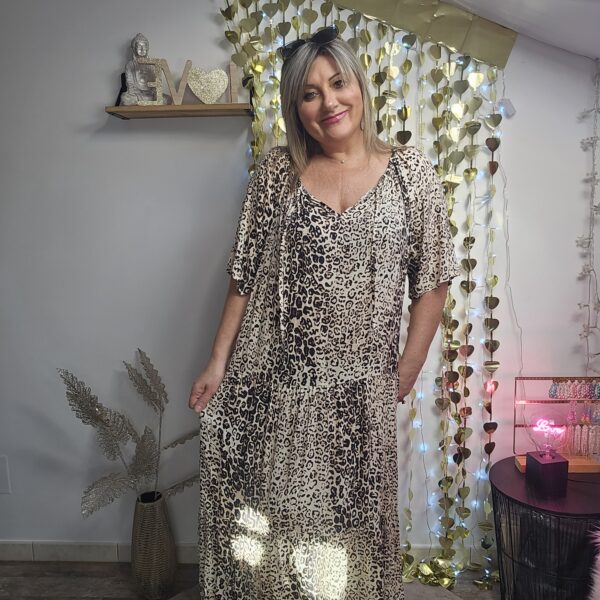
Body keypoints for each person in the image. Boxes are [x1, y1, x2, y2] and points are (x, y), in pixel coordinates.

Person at [188, 26, 459, 600]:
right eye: (310, 94)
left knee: (351, 535)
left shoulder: (410, 174)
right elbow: (243, 274)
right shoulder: (276, 174)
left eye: (338, 84)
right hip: (276, 382)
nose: (329, 102)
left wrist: (408, 367)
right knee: (274, 528)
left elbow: (432, 281)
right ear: (295, 108)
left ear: (359, 86)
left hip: (360, 391)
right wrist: (216, 363)